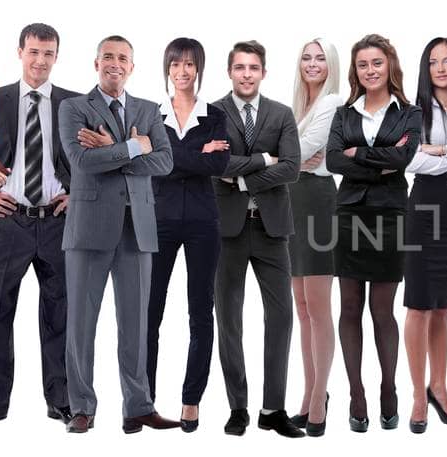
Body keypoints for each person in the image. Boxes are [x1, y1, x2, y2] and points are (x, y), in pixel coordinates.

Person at [57, 35, 180, 434]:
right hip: (89, 229)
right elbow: (81, 161)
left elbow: (164, 162)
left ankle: (138, 406)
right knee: (80, 324)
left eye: (122, 58)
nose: (115, 63)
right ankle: (81, 407)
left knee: (136, 324)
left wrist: (116, 149)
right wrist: (132, 147)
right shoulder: (73, 107)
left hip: (137, 231)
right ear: (96, 64)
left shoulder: (147, 109)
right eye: (107, 56)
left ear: (132, 66)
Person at [0, 23, 82, 425]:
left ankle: (59, 398)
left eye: (49, 53)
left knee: (60, 313)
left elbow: (89, 159)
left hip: (58, 220)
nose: (41, 61)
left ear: (57, 56)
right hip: (9, 220)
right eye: (34, 52)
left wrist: (75, 193)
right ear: (20, 52)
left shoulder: (74, 104)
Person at [209, 40, 306, 438]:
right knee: (228, 319)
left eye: (253, 68)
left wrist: (244, 176)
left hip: (272, 230)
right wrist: (265, 159)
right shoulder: (212, 113)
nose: (246, 74)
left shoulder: (281, 113)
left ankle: (272, 408)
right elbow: (213, 163)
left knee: (280, 318)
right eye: (239, 68)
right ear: (230, 71)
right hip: (226, 230)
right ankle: (238, 407)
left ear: (264, 72)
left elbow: (293, 168)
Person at [326, 33, 421, 433]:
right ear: (356, 70)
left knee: (382, 311)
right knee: (349, 309)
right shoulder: (344, 114)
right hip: (349, 215)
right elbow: (333, 160)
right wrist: (379, 163)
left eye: (377, 63)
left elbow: (403, 158)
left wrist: (358, 155)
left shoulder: (409, 113)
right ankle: (356, 394)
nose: (370, 71)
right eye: (363, 65)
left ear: (390, 66)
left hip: (389, 216)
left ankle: (388, 388)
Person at [145, 37, 230, 433]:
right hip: (157, 220)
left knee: (201, 311)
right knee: (149, 312)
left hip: (202, 222)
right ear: (167, 68)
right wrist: (196, 157)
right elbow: (147, 164)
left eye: (190, 64)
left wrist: (171, 158)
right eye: (176, 64)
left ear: (199, 68)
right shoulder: (150, 114)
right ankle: (142, 398)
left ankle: (191, 400)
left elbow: (220, 165)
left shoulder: (214, 115)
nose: (182, 71)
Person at [400, 36, 447, 434]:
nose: (441, 68)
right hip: (423, 211)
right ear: (425, 69)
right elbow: (408, 161)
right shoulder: (412, 113)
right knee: (418, 304)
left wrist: (440, 152)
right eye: (434, 62)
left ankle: (439, 386)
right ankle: (416, 393)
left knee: (443, 305)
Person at [286, 37, 341, 435]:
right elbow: (295, 153)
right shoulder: (295, 107)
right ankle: (307, 395)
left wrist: (288, 155)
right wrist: (292, 157)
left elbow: (304, 148)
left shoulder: (332, 103)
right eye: (306, 57)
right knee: (301, 307)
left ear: (331, 64)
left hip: (319, 204)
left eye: (320, 58)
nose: (312, 63)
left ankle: (320, 395)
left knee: (319, 307)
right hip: (291, 201)